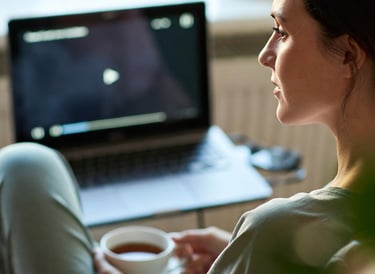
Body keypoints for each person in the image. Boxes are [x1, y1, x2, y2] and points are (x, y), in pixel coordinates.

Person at [1, 0, 375, 273]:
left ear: (348, 56)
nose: (265, 54)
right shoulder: (307, 237)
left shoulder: (276, 228)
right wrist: (238, 254)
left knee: (25, 165)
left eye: (282, 31)